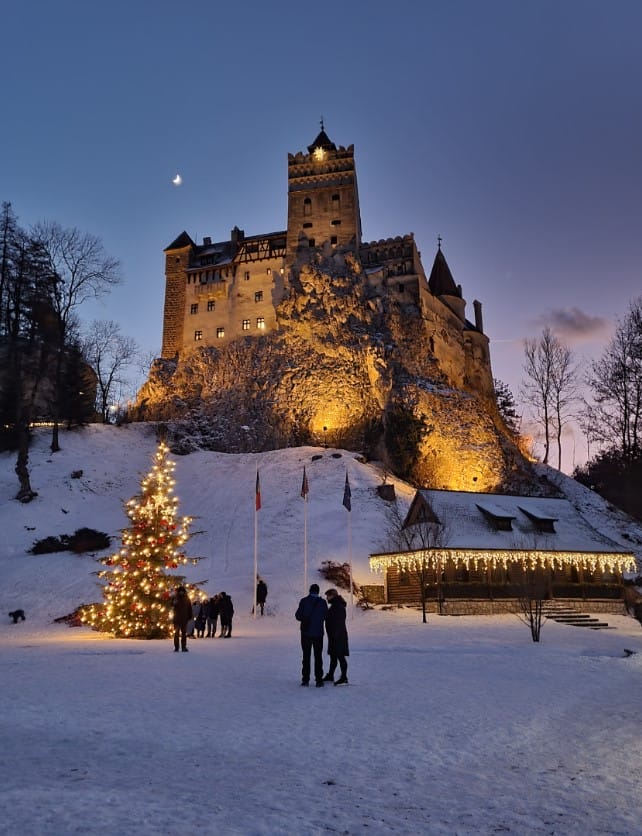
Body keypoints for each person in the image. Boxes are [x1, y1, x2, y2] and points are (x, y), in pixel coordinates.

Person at [295, 583, 328, 687]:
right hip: (318, 633)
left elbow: (298, 615)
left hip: (306, 633)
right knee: (318, 657)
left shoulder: (304, 601)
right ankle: (319, 680)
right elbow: (326, 616)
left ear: (310, 590)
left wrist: (305, 618)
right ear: (318, 591)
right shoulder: (322, 602)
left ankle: (305, 680)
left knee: (306, 656)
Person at [323, 588, 349, 685]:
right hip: (335, 635)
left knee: (340, 656)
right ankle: (330, 675)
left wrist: (335, 634)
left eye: (328, 596)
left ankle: (344, 677)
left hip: (338, 636)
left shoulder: (337, 606)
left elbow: (338, 622)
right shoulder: (336, 605)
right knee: (333, 656)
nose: (327, 598)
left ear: (332, 596)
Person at [172, 586, 193, 652]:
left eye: (182, 591)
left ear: (184, 592)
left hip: (184, 619)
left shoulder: (187, 598)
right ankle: (176, 647)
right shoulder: (175, 598)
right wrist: (173, 602)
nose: (181, 592)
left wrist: (190, 616)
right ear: (178, 591)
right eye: (180, 591)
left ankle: (183, 647)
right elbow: (171, 604)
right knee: (176, 634)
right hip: (177, 619)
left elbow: (189, 608)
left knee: (184, 634)